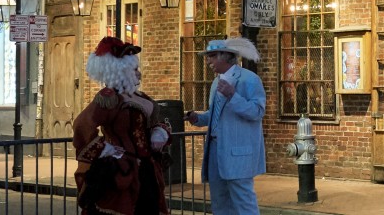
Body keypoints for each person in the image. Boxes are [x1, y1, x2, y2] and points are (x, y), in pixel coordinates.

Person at [72, 36, 171, 215]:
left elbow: (152, 123)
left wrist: (159, 132)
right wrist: (104, 147)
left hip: (147, 168)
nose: (139, 73)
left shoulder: (140, 97)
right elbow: (81, 124)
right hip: (122, 169)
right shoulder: (109, 98)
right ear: (120, 71)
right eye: (134, 70)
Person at [185, 37, 265, 215]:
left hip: (238, 153)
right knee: (219, 203)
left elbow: (257, 112)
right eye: (207, 56)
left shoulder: (249, 79)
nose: (208, 61)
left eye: (212, 56)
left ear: (226, 56)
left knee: (244, 203)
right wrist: (197, 118)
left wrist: (232, 96)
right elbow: (216, 114)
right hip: (215, 150)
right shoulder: (216, 82)